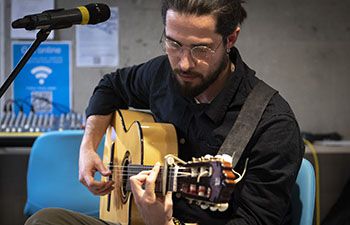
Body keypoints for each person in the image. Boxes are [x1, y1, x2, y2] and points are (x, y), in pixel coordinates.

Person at [25, 0, 305, 225]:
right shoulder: (162, 74)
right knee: (45, 220)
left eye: (200, 48)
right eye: (174, 43)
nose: (183, 63)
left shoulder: (272, 125)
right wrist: (88, 146)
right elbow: (110, 86)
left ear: (230, 39)